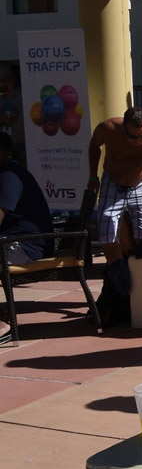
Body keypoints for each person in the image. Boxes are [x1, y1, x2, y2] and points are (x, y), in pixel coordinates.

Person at [0, 131, 53, 344]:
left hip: (26, 246)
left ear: (5, 152)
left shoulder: (10, 175)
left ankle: (2, 323)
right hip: (12, 241)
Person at [86, 106, 142, 265]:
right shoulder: (108, 128)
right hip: (113, 182)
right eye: (132, 137)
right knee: (107, 235)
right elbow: (95, 145)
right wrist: (93, 176)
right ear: (124, 127)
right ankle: (116, 271)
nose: (137, 141)